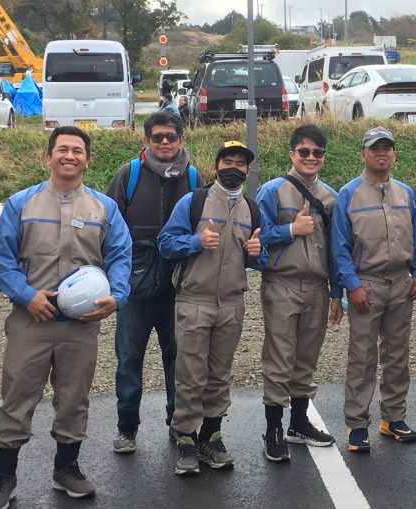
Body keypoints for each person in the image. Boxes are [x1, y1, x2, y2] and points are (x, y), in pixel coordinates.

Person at [0, 126, 132, 508]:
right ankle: (4, 477)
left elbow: (120, 257)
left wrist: (117, 296)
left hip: (80, 327)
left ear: (87, 159)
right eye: (62, 149)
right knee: (16, 397)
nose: (70, 156)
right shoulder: (20, 204)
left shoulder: (103, 208)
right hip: (30, 320)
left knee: (74, 399)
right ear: (47, 157)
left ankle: (67, 469)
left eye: (77, 150)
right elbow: (1, 258)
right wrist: (26, 296)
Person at [158, 140, 266, 476]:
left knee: (220, 374)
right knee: (190, 375)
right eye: (228, 161)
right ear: (216, 166)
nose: (234, 168)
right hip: (194, 301)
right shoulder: (194, 202)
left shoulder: (252, 208)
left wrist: (256, 252)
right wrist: (195, 242)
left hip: (232, 303)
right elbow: (165, 243)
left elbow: (259, 259)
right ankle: (186, 437)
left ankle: (211, 435)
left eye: (241, 163)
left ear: (248, 171)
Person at [105, 111, 203, 453]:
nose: (164, 142)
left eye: (171, 137)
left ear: (181, 140)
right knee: (129, 357)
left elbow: (204, 229)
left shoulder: (192, 178)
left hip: (179, 287)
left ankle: (178, 424)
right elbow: (110, 230)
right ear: (146, 140)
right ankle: (126, 427)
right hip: (135, 288)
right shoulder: (128, 175)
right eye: (157, 136)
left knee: (178, 357)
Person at [331, 126, 416, 453]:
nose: (381, 154)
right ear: (363, 154)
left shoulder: (405, 193)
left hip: (402, 283)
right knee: (362, 356)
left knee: (398, 355)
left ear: (394, 154)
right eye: (374, 149)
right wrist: (352, 286)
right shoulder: (349, 194)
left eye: (387, 148)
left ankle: (394, 418)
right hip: (366, 286)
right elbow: (340, 248)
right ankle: (357, 424)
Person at [254, 125, 342, 462]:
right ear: (292, 154)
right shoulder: (272, 192)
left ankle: (299, 422)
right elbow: (255, 237)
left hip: (318, 288)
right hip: (282, 284)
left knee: (307, 357)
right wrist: (291, 229)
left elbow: (338, 249)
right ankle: (273, 427)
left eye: (317, 153)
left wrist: (338, 293)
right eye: (303, 151)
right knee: (278, 358)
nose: (310, 158)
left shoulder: (331, 197)